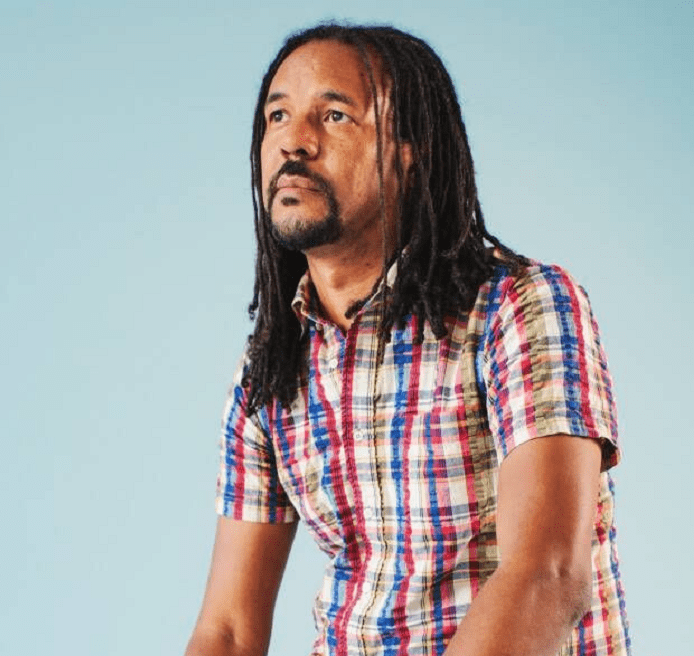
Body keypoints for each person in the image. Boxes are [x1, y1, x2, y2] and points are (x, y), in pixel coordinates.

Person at [185, 23, 630, 656]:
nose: (293, 141)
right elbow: (228, 630)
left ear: (408, 150)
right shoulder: (269, 371)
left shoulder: (519, 308)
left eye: (334, 115)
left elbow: (548, 576)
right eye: (276, 116)